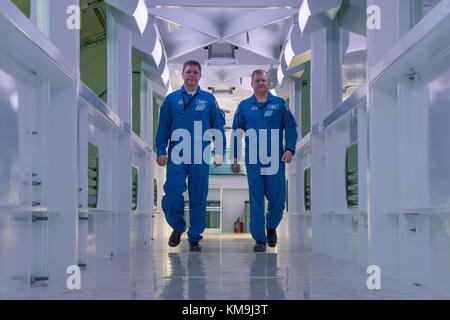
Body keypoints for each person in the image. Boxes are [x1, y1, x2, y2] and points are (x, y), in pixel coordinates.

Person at [156, 60, 226, 252]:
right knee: (172, 190)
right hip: (177, 154)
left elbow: (217, 127)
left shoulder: (209, 100)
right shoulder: (171, 100)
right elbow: (163, 127)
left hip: (200, 155)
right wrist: (160, 151)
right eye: (188, 72)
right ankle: (178, 226)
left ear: (200, 76)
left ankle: (194, 237)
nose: (192, 75)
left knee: (198, 195)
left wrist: (219, 152)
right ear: (182, 75)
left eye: (195, 72)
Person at [231, 69, 298, 252]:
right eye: (257, 80)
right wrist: (235, 158)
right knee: (256, 199)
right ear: (251, 84)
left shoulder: (279, 104)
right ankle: (259, 240)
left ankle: (271, 226)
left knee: (277, 198)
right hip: (253, 161)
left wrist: (290, 149)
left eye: (263, 80)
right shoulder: (244, 106)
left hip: (275, 159)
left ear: (268, 83)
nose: (260, 83)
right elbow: (236, 132)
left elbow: (290, 127)